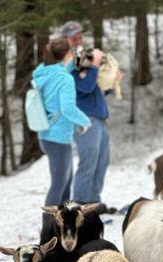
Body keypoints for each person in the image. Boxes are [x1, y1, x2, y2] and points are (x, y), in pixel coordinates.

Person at [32, 37, 91, 206]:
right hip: (57, 137)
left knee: (65, 183)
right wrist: (85, 122)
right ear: (67, 54)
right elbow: (68, 108)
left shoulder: (44, 72)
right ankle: (49, 229)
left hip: (47, 135)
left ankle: (63, 224)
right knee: (59, 185)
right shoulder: (65, 79)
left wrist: (82, 53)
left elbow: (69, 65)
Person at [62, 21, 115, 207]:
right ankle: (81, 207)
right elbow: (84, 86)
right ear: (65, 40)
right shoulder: (68, 64)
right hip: (84, 119)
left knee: (101, 162)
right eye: (72, 37)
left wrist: (111, 83)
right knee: (88, 163)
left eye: (79, 35)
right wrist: (95, 65)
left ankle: (94, 203)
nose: (77, 39)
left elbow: (94, 89)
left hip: (99, 117)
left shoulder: (83, 57)